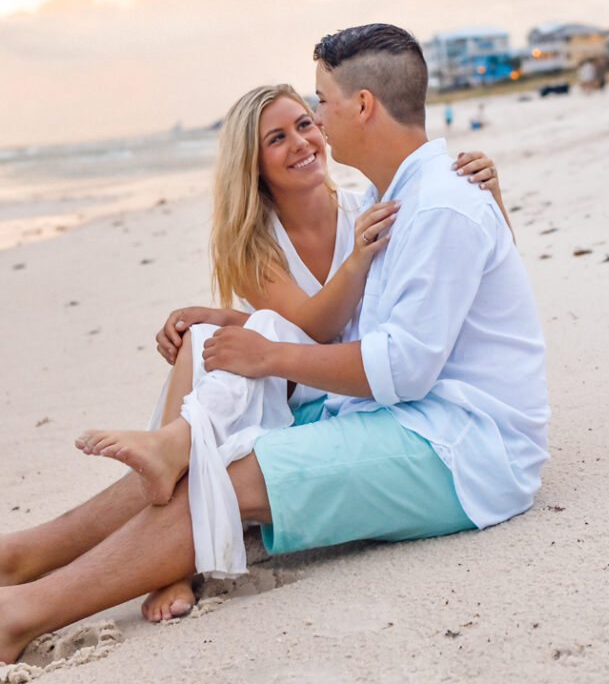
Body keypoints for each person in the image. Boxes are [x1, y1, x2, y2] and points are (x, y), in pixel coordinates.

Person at [0, 70, 508, 649]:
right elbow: (310, 327)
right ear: (255, 165)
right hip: (308, 384)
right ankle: (124, 498)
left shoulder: (365, 207)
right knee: (211, 342)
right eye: (277, 139)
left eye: (306, 123)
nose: (301, 142)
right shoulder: (257, 241)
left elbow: (363, 318)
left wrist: (487, 196)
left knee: (237, 357)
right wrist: (229, 322)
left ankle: (137, 483)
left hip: (334, 383)